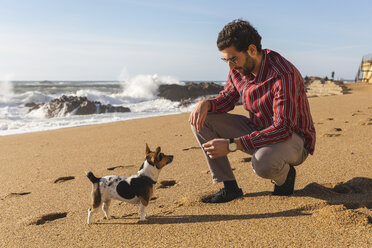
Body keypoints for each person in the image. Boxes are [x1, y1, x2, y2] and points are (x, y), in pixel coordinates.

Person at [189, 19, 316, 203]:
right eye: (226, 60)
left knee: (262, 162)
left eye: (233, 59)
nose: (230, 66)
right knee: (201, 118)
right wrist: (205, 104)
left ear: (252, 50)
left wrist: (232, 144)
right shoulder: (237, 70)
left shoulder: (282, 74)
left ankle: (285, 176)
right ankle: (230, 187)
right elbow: (227, 99)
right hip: (257, 130)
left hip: (293, 139)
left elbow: (283, 127)